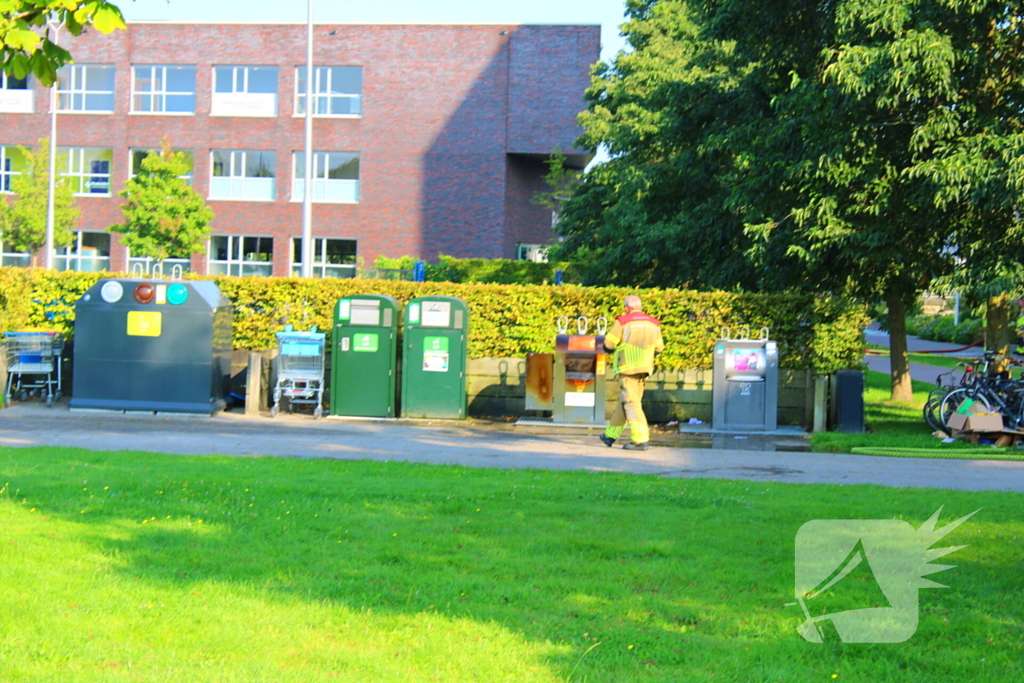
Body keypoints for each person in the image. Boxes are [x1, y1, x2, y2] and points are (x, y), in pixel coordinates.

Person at [599, 295, 664, 451]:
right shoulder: (653, 323)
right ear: (640, 306)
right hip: (644, 370)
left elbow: (609, 344)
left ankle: (640, 440)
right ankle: (610, 436)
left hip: (628, 369)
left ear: (627, 307)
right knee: (626, 402)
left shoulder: (622, 321)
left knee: (631, 404)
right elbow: (659, 348)